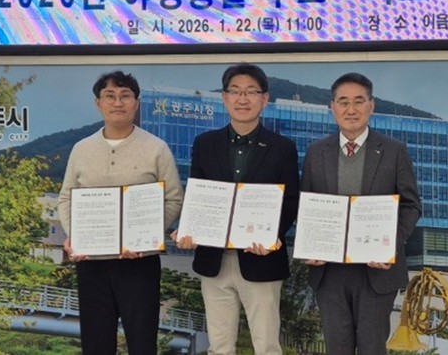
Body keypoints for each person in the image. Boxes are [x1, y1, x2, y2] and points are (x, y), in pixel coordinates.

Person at [173, 63, 299, 355]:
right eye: (235, 91)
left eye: (251, 92)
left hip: (262, 258)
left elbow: (291, 199)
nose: (243, 99)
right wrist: (188, 229)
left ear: (264, 99)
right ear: (225, 97)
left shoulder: (282, 147)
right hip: (213, 260)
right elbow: (197, 194)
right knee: (219, 347)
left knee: (267, 346)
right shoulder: (205, 144)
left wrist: (272, 236)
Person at [58, 70, 184, 355]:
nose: (118, 102)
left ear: (136, 103)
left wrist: (147, 237)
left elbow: (174, 198)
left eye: (125, 96)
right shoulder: (81, 149)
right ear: (98, 103)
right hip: (92, 261)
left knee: (142, 343)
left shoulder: (157, 148)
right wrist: (74, 235)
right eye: (110, 96)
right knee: (96, 343)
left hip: (139, 262)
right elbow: (66, 198)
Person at [301, 72, 421, 355]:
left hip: (376, 272)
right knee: (336, 348)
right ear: (333, 107)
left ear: (371, 106)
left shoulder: (393, 151)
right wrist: (309, 244)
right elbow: (306, 205)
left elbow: (411, 205)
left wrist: (390, 246)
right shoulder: (316, 153)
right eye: (343, 102)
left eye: (358, 101)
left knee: (372, 348)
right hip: (329, 271)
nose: (351, 109)